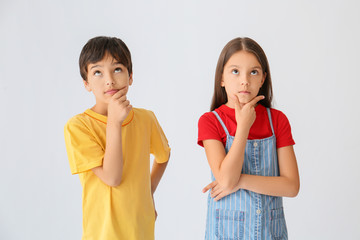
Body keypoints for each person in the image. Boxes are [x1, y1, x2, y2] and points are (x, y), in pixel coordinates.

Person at [64, 36, 170, 240]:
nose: (109, 79)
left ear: (130, 77)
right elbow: (112, 177)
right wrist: (114, 122)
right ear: (86, 83)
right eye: (97, 72)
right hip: (103, 234)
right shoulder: (78, 126)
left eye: (117, 69)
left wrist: (148, 192)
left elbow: (163, 156)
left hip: (141, 231)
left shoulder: (146, 118)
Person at [198, 37, 299, 239]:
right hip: (226, 233)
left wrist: (240, 181)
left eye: (253, 72)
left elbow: (291, 186)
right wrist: (243, 126)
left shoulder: (277, 120)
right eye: (235, 71)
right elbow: (225, 179)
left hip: (270, 233)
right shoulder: (210, 121)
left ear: (262, 79)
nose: (245, 80)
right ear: (222, 78)